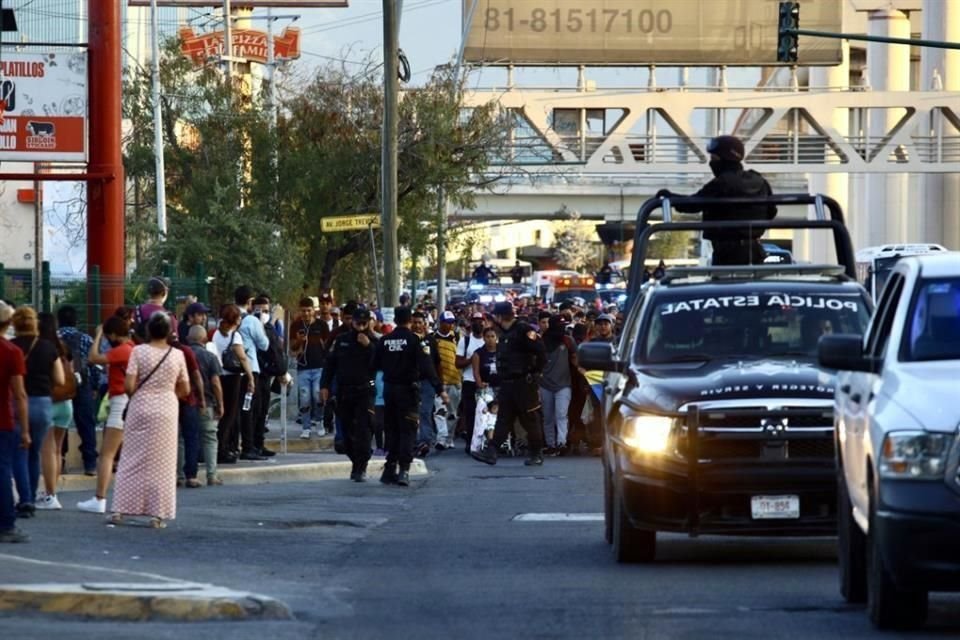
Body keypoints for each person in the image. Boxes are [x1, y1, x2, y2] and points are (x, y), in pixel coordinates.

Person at [110, 312, 190, 529]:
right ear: (169, 332)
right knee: (163, 463)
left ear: (148, 331)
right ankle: (158, 514)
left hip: (140, 406)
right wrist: (168, 392)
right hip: (166, 409)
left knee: (131, 457)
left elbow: (128, 385)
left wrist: (141, 393)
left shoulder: (138, 351)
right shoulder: (176, 355)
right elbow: (185, 388)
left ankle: (119, 509)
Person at [657, 135, 777, 266]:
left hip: (726, 254)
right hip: (755, 252)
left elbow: (693, 204)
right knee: (753, 286)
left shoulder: (722, 183)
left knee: (723, 285)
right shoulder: (760, 181)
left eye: (714, 158)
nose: (711, 163)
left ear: (725, 160)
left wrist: (670, 197)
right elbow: (771, 211)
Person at [374, 306, 447, 487]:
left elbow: (373, 364)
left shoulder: (385, 340)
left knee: (391, 430)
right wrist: (440, 389)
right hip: (408, 391)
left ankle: (390, 468)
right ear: (408, 321)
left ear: (395, 320)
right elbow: (427, 366)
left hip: (389, 390)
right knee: (408, 430)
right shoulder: (415, 341)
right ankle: (404, 470)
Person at [471, 302, 547, 467]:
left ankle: (536, 453)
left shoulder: (523, 330)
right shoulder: (504, 333)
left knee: (530, 419)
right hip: (507, 384)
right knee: (503, 419)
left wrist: (535, 372)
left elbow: (541, 351)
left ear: (500, 316)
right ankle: (491, 452)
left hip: (524, 384)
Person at [77, 316, 135, 514]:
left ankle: (99, 498)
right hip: (128, 401)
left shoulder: (122, 350)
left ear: (112, 334)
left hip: (120, 401)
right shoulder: (133, 348)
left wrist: (98, 334)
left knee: (106, 454)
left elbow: (93, 357)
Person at [10, 307, 64, 519]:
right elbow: (59, 379)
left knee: (19, 452)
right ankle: (31, 497)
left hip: (16, 402)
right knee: (35, 453)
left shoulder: (10, 347)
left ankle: (23, 499)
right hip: (42, 403)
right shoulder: (47, 347)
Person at [321, 307, 378, 482]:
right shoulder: (341, 340)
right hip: (344, 391)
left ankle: (360, 467)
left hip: (365, 391)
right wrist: (324, 386)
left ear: (369, 322)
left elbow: (380, 362)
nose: (360, 327)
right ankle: (356, 461)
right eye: (357, 323)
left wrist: (368, 346)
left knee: (363, 431)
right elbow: (330, 364)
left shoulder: (375, 342)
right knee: (345, 435)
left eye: (364, 323)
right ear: (352, 322)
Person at [0, 301, 30, 543]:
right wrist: (25, 430)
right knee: (2, 471)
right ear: (8, 323)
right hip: (3, 418)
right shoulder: (12, 352)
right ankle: (6, 523)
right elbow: (19, 394)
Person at [56, 306, 98, 476]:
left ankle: (61, 460)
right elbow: (94, 365)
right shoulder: (86, 338)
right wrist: (94, 386)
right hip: (82, 384)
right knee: (86, 424)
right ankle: (90, 464)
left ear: (58, 320)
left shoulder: (54, 338)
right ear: (76, 321)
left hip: (60, 384)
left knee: (61, 423)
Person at [212, 304, 254, 465]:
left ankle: (221, 447)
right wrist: (250, 377)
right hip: (232, 376)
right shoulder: (234, 336)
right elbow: (242, 358)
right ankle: (223, 450)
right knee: (229, 415)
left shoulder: (216, 334)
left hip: (219, 375)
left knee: (222, 413)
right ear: (236, 319)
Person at [290, 296, 335, 439]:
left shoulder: (322, 325)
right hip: (303, 366)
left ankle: (319, 421)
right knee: (304, 398)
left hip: (319, 367)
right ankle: (306, 427)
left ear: (313, 311)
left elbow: (328, 346)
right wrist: (299, 341)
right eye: (303, 311)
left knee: (317, 395)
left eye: (309, 311)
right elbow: (291, 348)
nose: (306, 314)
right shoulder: (296, 326)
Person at [187, 324, 224, 486]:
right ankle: (211, 474)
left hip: (186, 402)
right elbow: (215, 382)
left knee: (184, 439)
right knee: (209, 438)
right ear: (205, 339)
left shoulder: (181, 354)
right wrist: (220, 404)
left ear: (188, 338)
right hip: (207, 402)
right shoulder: (210, 357)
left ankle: (182, 475)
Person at [539, 315, 577, 456]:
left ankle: (561, 442)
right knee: (548, 416)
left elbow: (575, 357)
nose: (562, 329)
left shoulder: (568, 340)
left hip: (563, 384)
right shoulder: (541, 341)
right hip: (545, 384)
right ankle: (550, 444)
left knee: (561, 414)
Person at [426, 311, 461, 450]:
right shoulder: (432, 338)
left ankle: (449, 438)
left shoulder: (457, 337)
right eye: (447, 322)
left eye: (452, 322)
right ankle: (441, 438)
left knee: (452, 413)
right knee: (440, 411)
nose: (450, 325)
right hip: (440, 381)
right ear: (441, 322)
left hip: (455, 380)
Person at [456, 312, 486, 452]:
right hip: (469, 381)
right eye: (475, 321)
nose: (478, 323)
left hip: (486, 382)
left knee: (486, 413)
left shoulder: (489, 339)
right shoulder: (465, 341)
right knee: (470, 413)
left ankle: (485, 442)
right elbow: (458, 362)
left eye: (481, 321)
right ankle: (470, 442)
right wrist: (473, 359)